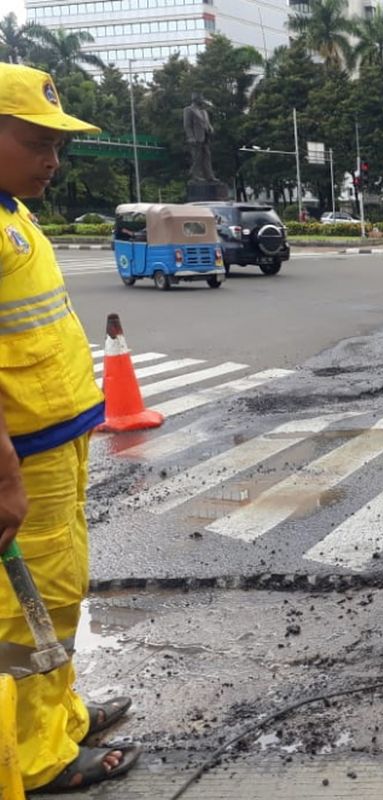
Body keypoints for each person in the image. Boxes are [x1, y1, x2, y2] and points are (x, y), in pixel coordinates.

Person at [0, 63, 140, 792]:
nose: (53, 159)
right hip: (21, 456)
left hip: (56, 442)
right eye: (35, 141)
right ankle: (40, 755)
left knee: (58, 592)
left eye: (59, 144)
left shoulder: (13, 214)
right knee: (27, 611)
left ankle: (62, 715)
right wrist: (3, 475)